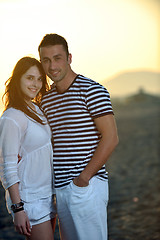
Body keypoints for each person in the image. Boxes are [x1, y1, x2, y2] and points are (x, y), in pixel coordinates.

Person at [38, 34, 119, 240]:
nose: (52, 66)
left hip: (86, 186)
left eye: (57, 58)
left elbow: (110, 138)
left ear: (69, 58)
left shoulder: (92, 90)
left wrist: (83, 179)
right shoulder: (46, 99)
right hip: (60, 189)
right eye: (46, 60)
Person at [0, 57, 56, 240]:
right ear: (18, 79)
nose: (36, 84)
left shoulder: (36, 109)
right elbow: (7, 166)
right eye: (30, 78)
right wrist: (18, 208)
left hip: (48, 194)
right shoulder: (11, 117)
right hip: (30, 200)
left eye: (39, 79)